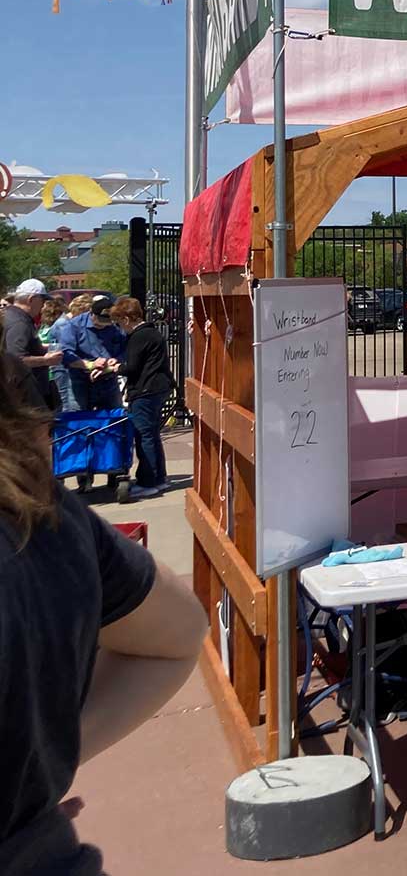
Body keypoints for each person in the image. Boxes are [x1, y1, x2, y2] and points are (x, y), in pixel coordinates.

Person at [0, 353, 207, 874]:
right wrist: (38, 770)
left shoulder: (41, 513)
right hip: (44, 850)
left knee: (143, 434)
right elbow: (179, 634)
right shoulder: (43, 515)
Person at [108, 297, 175, 499]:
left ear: (127, 318)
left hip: (146, 390)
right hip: (158, 387)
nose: (120, 327)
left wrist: (113, 368)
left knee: (144, 435)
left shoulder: (138, 336)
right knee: (152, 434)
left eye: (119, 322)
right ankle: (158, 477)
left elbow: (132, 367)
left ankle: (149, 481)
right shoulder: (152, 333)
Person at [0, 279, 62, 409]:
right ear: (31, 299)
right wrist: (46, 360)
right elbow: (16, 358)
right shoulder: (19, 323)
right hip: (23, 392)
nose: (44, 306)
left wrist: (42, 348)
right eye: (43, 301)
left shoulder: (11, 315)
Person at [60, 294, 127, 411]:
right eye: (100, 321)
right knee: (79, 420)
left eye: (107, 322)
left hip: (108, 381)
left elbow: (125, 349)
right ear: (91, 313)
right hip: (80, 382)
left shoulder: (115, 327)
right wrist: (91, 365)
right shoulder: (73, 326)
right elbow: (66, 355)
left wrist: (115, 360)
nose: (102, 325)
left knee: (114, 418)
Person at [49, 294, 94, 412]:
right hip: (63, 369)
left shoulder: (70, 322)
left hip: (75, 367)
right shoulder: (63, 324)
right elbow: (68, 349)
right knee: (69, 404)